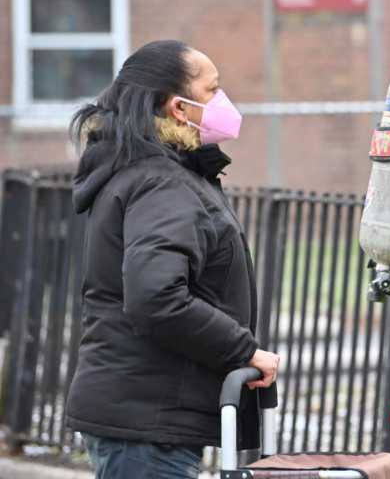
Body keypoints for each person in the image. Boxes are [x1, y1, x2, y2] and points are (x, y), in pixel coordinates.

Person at [65, 40, 279, 479]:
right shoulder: (162, 184)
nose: (223, 102)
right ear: (177, 108)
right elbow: (156, 297)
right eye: (212, 89)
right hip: (148, 426)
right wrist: (244, 350)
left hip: (145, 419)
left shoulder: (151, 173)